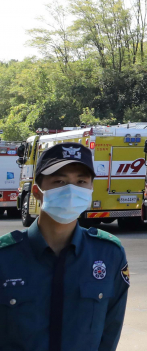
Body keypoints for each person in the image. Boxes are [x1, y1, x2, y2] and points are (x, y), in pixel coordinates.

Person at [0, 143, 129, 351]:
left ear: (90, 190)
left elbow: (109, 332)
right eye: (59, 181)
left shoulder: (109, 254)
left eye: (81, 182)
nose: (71, 190)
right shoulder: (5, 257)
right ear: (37, 192)